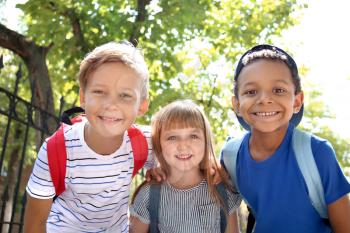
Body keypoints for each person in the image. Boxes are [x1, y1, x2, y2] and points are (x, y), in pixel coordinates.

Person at [24, 41, 154, 232]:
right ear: (83, 97)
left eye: (125, 95)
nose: (111, 104)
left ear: (142, 106)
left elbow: (187, 164)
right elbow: (35, 224)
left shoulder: (145, 143)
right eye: (99, 92)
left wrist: (163, 169)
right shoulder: (56, 150)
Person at [221, 44, 350, 233]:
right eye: (251, 92)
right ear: (237, 104)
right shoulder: (230, 156)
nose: (264, 99)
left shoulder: (317, 153)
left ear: (297, 101)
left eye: (278, 90)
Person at [129, 99, 242, 233]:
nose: (183, 145)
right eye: (172, 137)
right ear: (159, 144)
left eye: (193, 136)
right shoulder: (149, 195)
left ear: (206, 141)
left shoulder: (222, 190)